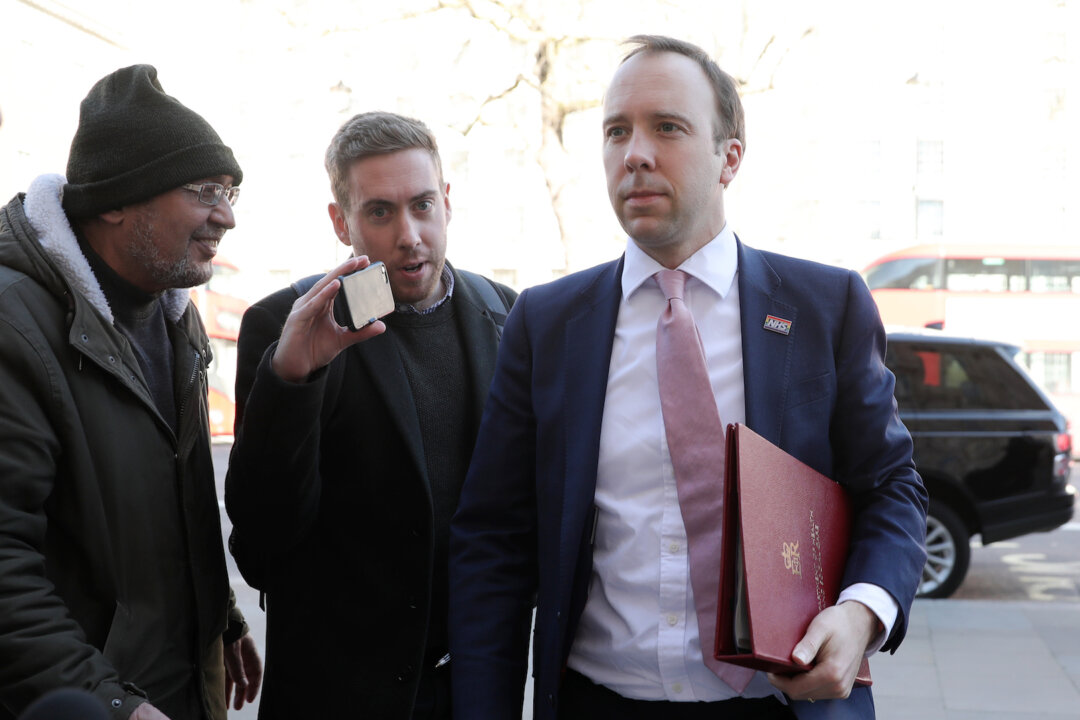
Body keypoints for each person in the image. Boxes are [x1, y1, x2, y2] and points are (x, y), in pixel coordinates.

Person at [448, 35, 929, 720]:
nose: (634, 154)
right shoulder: (547, 324)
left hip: (781, 703)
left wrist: (861, 615)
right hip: (598, 702)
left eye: (666, 128)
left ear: (729, 156)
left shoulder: (826, 309)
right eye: (616, 131)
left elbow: (893, 488)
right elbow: (493, 540)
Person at [224, 110, 517, 719]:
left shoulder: (505, 316)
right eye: (380, 212)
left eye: (422, 205)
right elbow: (263, 547)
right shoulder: (289, 322)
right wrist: (292, 380)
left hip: (475, 690)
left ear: (446, 204)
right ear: (341, 222)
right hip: (340, 697)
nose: (409, 234)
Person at [0, 65, 261, 720]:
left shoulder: (176, 316)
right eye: (205, 191)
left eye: (230, 192)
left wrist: (221, 618)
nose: (226, 216)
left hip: (173, 689)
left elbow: (172, 507)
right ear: (113, 201)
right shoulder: (14, 328)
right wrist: (113, 705)